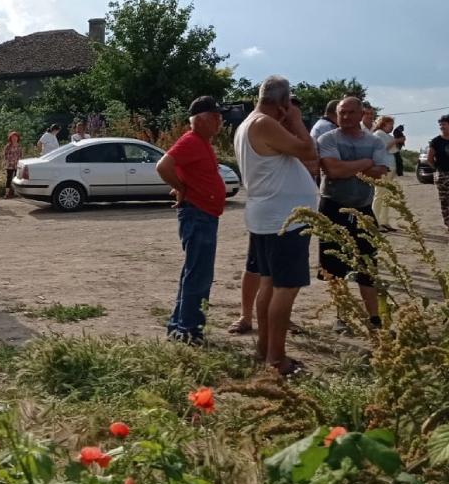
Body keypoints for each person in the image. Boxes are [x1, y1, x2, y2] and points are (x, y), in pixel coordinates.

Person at [233, 76, 318, 377]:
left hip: (268, 216)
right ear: (282, 103)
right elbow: (308, 150)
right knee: (285, 287)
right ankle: (276, 358)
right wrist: (296, 120)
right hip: (283, 220)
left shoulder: (247, 124)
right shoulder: (264, 124)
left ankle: (265, 349)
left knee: (269, 283)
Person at [156, 96, 229, 345]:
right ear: (201, 120)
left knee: (194, 274)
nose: (220, 121)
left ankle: (180, 328)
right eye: (215, 117)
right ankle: (189, 332)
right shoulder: (191, 141)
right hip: (198, 214)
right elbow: (163, 166)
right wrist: (182, 188)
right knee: (198, 276)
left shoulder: (202, 142)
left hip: (203, 214)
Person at [317, 98, 389, 332]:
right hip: (333, 207)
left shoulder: (374, 141)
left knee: (368, 266)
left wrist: (348, 166)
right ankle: (342, 317)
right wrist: (366, 163)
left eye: (350, 112)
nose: (345, 117)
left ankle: (374, 319)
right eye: (341, 113)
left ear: (361, 114)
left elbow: (379, 174)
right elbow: (333, 171)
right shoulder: (328, 139)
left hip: (363, 209)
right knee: (334, 267)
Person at [371, 116, 400, 231]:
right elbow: (384, 148)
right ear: (383, 124)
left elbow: (395, 149)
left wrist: (397, 140)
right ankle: (375, 222)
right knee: (379, 195)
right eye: (390, 124)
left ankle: (384, 221)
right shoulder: (378, 134)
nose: (392, 126)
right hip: (382, 168)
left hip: (390, 167)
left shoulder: (388, 135)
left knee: (386, 196)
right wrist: (396, 141)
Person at [3, 131, 22, 199]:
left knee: (16, 178)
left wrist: (19, 163)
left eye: (15, 137)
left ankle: (16, 193)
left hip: (17, 164)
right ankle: (7, 193)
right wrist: (10, 161)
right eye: (13, 137)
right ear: (10, 138)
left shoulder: (19, 146)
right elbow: (5, 155)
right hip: (10, 165)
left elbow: (20, 155)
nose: (14, 138)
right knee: (9, 179)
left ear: (17, 138)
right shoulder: (8, 146)